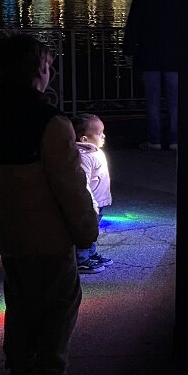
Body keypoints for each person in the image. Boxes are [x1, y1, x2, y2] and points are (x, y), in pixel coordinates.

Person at [0, 33, 103, 375]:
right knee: (59, 306)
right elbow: (69, 186)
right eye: (47, 66)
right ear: (38, 70)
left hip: (8, 233)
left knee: (20, 305)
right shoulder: (51, 124)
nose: (50, 73)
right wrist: (86, 230)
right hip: (46, 235)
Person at [123, 0, 178, 151]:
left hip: (149, 54)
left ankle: (154, 140)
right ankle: (174, 140)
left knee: (152, 100)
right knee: (175, 102)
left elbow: (133, 23)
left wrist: (128, 49)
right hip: (174, 56)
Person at [73, 112, 114, 274]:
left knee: (92, 230)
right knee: (86, 230)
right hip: (90, 204)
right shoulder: (84, 157)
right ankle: (81, 259)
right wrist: (92, 204)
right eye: (99, 133)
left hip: (98, 201)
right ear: (84, 139)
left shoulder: (95, 152)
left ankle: (90, 254)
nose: (103, 136)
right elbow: (83, 183)